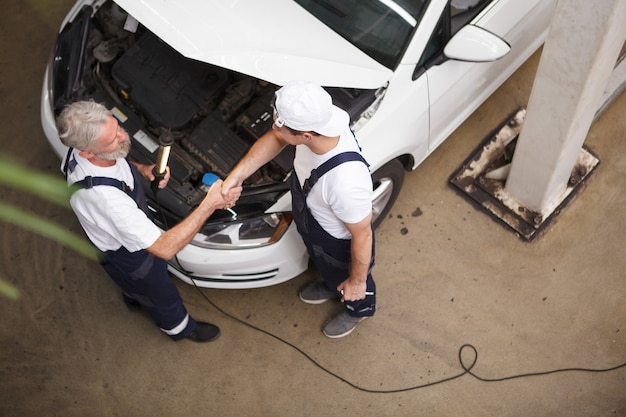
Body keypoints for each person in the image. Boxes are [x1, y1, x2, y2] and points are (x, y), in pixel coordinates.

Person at [56, 100, 241, 343]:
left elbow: (114, 163)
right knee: (160, 292)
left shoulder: (80, 151)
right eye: (112, 140)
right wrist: (209, 204)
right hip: (129, 255)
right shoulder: (108, 200)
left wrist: (143, 169)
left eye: (118, 128)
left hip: (113, 241)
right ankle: (180, 328)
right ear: (87, 152)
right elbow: (164, 248)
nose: (123, 137)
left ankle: (133, 296)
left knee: (135, 285)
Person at [222, 80, 376, 338]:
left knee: (348, 277)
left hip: (336, 244)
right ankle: (331, 284)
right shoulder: (321, 121)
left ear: (305, 136)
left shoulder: (347, 183)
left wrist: (357, 282)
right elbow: (275, 137)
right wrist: (237, 176)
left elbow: (363, 235)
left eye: (280, 125)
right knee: (326, 268)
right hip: (311, 212)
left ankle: (357, 308)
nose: (274, 127)